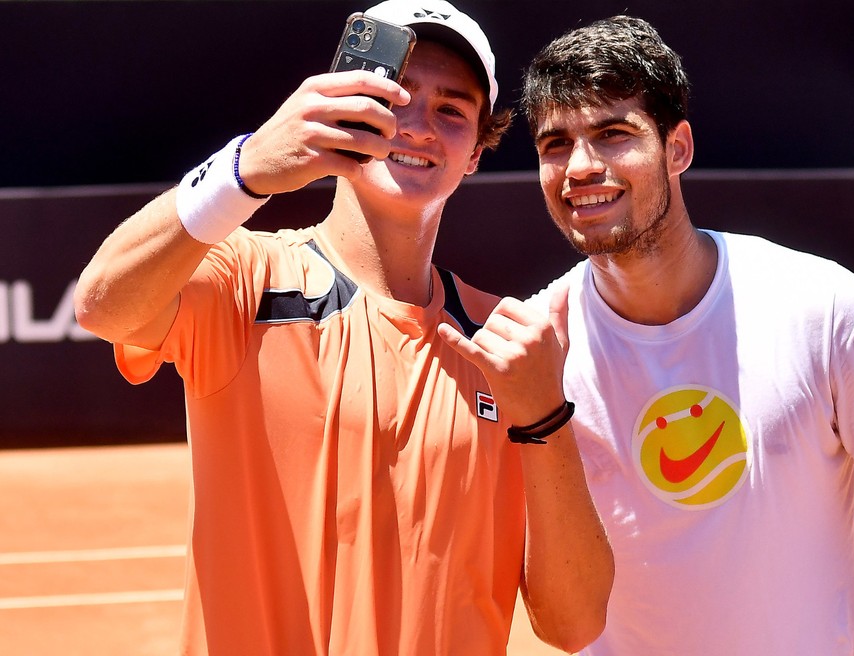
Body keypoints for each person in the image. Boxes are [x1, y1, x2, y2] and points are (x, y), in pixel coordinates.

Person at [73, 2, 614, 654]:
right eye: (394, 97)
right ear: (342, 107)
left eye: (451, 110)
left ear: (475, 152)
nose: (418, 125)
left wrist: (546, 418)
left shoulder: (507, 343)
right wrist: (244, 169)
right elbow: (102, 304)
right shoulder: (243, 277)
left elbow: (573, 623)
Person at [519, 15, 854, 656]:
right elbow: (556, 620)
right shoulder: (535, 353)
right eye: (555, 144)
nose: (580, 166)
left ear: (677, 148)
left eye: (613, 134)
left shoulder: (822, 306)